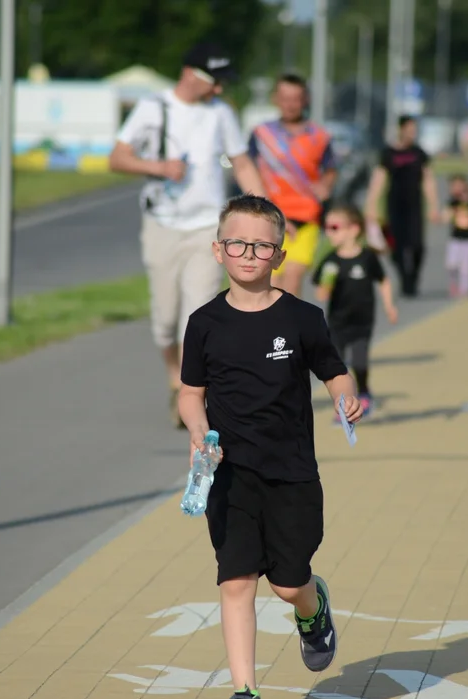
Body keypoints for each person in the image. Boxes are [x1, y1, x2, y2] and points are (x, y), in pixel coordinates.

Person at [178, 194, 363, 699]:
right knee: (235, 580)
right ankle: (245, 694)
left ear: (279, 255)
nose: (249, 253)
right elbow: (191, 392)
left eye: (262, 245)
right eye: (237, 242)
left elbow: (333, 370)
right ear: (219, 250)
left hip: (291, 474)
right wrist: (198, 429)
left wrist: (344, 397)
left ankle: (313, 609)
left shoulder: (303, 318)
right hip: (229, 474)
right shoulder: (204, 322)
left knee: (287, 584)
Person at [109, 41, 264, 427]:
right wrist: (159, 167)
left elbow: (241, 163)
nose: (220, 90)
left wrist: (264, 212)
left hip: (206, 229)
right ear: (193, 75)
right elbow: (117, 158)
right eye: (216, 81)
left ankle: (187, 391)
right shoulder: (153, 107)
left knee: (196, 314)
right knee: (164, 318)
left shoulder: (221, 114)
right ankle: (172, 378)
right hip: (162, 223)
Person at [248, 73, 338, 299]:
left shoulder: (319, 136)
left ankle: (286, 330)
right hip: (270, 216)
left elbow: (331, 169)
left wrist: (325, 185)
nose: (290, 105)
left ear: (305, 100)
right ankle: (268, 330)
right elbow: (245, 168)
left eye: (296, 99)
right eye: (285, 98)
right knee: (271, 279)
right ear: (275, 99)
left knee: (293, 278)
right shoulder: (262, 134)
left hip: (306, 218)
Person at [311, 204, 398, 417]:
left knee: (359, 362)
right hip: (338, 322)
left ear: (353, 229)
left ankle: (365, 393)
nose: (329, 232)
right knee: (338, 366)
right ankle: (343, 404)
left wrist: (389, 305)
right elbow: (320, 294)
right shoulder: (330, 260)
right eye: (327, 227)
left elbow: (383, 280)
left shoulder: (367, 258)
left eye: (334, 227)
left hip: (362, 322)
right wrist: (326, 286)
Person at [364, 115, 440, 298]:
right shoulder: (388, 153)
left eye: (415, 130)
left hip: (414, 204)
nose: (412, 134)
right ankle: (404, 278)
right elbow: (379, 179)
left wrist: (433, 205)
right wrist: (371, 205)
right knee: (396, 245)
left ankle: (413, 276)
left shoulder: (419, 153)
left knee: (417, 245)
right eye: (409, 129)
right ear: (401, 129)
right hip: (395, 204)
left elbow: (428, 180)